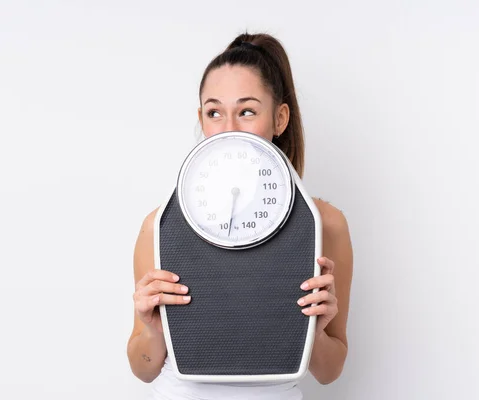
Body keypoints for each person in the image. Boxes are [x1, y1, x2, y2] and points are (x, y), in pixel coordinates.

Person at [127, 31, 354, 399]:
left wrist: (313, 329)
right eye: (215, 112)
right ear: (202, 119)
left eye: (247, 111)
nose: (229, 128)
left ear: (279, 118)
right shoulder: (161, 225)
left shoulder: (323, 223)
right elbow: (143, 368)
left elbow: (329, 372)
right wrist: (151, 328)